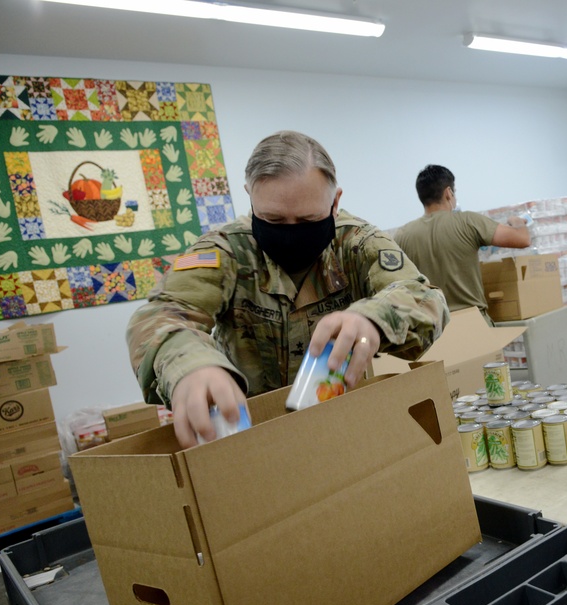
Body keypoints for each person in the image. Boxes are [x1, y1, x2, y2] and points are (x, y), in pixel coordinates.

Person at [127, 131, 449, 448]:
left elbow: (424, 297)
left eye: (308, 220)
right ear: (250, 197)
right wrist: (191, 366)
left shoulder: (355, 242)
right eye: (273, 220)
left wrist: (374, 319)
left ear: (335, 202)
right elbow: (160, 316)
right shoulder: (225, 251)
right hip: (249, 438)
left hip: (343, 427)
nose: (291, 234)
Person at [394, 165, 531, 325]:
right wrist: (517, 221)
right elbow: (523, 239)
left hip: (433, 331)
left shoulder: (402, 235)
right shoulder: (467, 222)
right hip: (474, 325)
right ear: (448, 193)